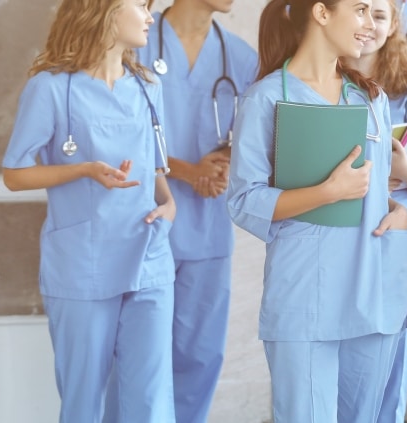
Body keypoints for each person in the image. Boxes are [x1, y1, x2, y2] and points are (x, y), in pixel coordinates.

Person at [226, 0, 407, 421]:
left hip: (373, 284)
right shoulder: (267, 97)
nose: (371, 25)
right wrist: (327, 191)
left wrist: (399, 213)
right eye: (360, 10)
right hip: (305, 292)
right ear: (322, 13)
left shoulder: (368, 97)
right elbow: (242, 200)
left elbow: (377, 188)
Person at [1, 0, 177, 421]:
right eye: (141, 5)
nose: (151, 15)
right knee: (83, 403)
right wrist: (82, 169)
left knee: (150, 401)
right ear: (105, 10)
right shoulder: (50, 87)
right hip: (83, 262)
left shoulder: (147, 86)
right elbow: (15, 174)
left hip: (148, 255)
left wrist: (169, 202)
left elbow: (155, 165)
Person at [110, 1, 258, 421]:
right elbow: (110, 133)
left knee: (200, 356)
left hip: (208, 229)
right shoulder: (132, 43)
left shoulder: (240, 57)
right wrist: (189, 171)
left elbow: (254, 133)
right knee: (134, 361)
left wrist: (221, 163)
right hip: (142, 221)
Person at [342, 1, 407, 421]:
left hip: (403, 252)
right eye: (360, 12)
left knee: (388, 393)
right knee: (346, 389)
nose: (369, 25)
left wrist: (405, 170)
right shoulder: (318, 81)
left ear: (394, 26)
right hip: (342, 245)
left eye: (381, 17)